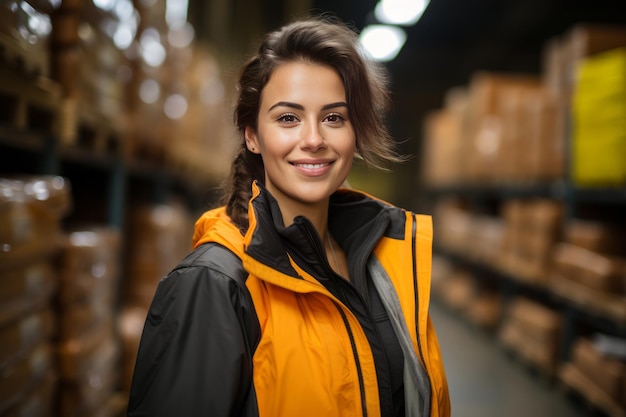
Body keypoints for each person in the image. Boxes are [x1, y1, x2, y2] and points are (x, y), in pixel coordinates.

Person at [127, 15, 450, 417]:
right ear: (252, 135)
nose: (314, 139)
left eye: (334, 118)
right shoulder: (215, 283)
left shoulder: (381, 259)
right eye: (287, 118)